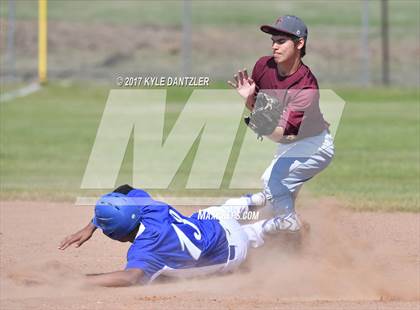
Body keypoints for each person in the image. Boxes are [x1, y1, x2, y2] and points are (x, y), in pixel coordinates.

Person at [228, 15, 334, 235]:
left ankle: (291, 228)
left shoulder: (306, 86)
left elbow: (284, 134)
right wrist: (249, 99)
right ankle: (295, 237)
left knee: (272, 181)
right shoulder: (263, 67)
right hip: (290, 144)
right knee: (275, 200)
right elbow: (264, 112)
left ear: (300, 43)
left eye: (281, 41)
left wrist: (261, 125)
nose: (274, 46)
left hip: (314, 145)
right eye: (273, 40)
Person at [59, 184, 266, 287]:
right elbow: (124, 189)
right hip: (214, 220)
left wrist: (81, 280)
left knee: (249, 235)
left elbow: (131, 277)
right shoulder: (148, 208)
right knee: (216, 211)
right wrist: (92, 225)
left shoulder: (146, 249)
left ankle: (264, 229)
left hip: (234, 249)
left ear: (117, 236)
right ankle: (257, 201)